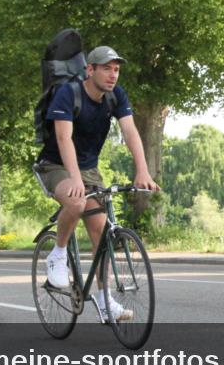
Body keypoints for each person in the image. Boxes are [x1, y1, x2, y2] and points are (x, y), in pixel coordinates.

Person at [36, 45, 160, 322]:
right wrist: (75, 178)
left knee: (100, 232)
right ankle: (57, 254)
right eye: (106, 68)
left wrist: (142, 170)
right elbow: (63, 138)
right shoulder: (68, 94)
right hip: (54, 165)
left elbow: (130, 131)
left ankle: (105, 302)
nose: (113, 75)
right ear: (89, 70)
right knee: (77, 201)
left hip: (89, 169)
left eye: (116, 69)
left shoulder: (115, 96)